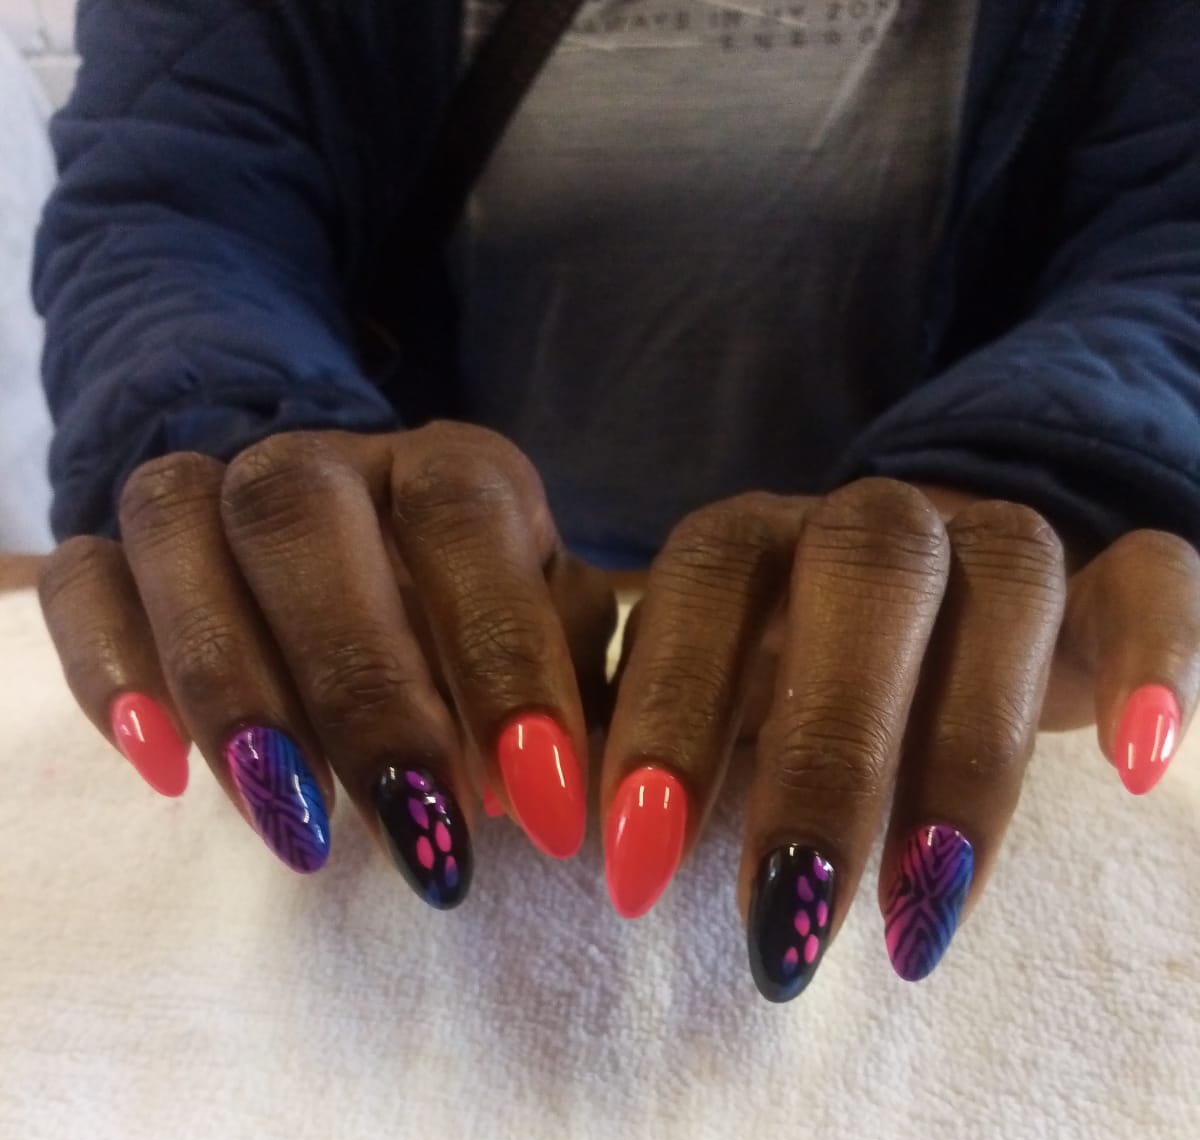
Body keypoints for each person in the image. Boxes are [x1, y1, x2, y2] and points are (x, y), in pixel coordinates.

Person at [31, 0, 1200, 1001]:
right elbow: (175, 203)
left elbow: (1173, 229)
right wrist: (264, 466)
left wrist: (1036, 476)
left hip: (928, 579)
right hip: (440, 579)